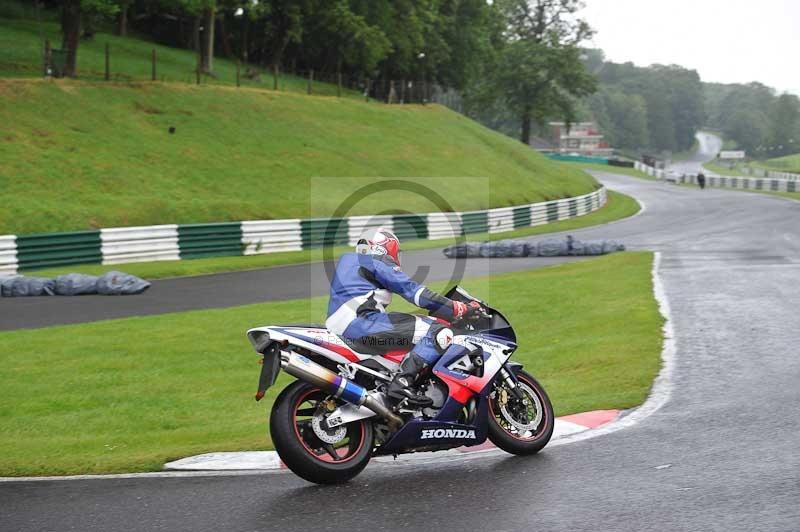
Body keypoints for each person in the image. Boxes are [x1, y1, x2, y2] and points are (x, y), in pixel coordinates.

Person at [326, 227, 485, 406]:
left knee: (414, 322)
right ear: (386, 247)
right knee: (439, 331)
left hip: (341, 326)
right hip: (361, 324)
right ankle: (402, 383)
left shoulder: (348, 261)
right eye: (396, 251)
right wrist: (458, 308)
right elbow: (414, 292)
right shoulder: (374, 261)